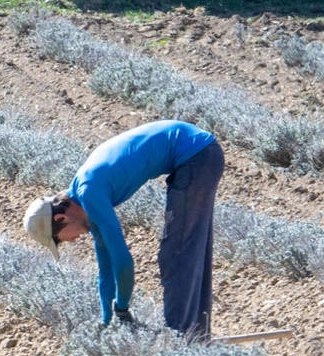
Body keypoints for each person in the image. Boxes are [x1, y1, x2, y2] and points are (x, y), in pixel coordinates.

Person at [23, 120, 223, 340]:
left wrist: (122, 308)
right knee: (189, 246)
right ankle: (197, 337)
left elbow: (123, 261)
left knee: (177, 252)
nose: (70, 241)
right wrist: (106, 319)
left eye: (59, 240)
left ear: (61, 218)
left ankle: (181, 339)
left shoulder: (90, 192)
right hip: (198, 154)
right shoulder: (85, 199)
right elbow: (106, 268)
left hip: (196, 156)